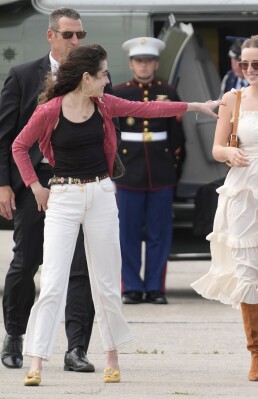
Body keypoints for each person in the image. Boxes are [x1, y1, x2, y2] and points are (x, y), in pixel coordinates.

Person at [11, 44, 221, 387]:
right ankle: (37, 360)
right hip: (62, 197)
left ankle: (111, 355)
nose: (108, 79)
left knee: (106, 283)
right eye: (104, 74)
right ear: (86, 78)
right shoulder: (49, 110)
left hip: (102, 195)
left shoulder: (105, 104)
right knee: (52, 282)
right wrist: (35, 186)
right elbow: (19, 146)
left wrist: (197, 105)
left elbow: (148, 107)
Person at [0, 7, 99, 373]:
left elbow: (109, 132)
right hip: (33, 184)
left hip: (79, 185)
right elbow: (5, 137)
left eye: (80, 35)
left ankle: (76, 348)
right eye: (69, 35)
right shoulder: (24, 76)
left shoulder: (96, 79)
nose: (76, 41)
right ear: (51, 36)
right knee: (27, 262)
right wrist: (4, 185)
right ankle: (14, 335)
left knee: (79, 267)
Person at [191, 34, 258, 382]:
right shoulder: (232, 99)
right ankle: (257, 351)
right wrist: (228, 153)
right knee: (248, 272)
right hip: (241, 191)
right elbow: (217, 148)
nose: (248, 69)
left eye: (256, 64)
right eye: (243, 63)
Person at [113, 37, 185, 305]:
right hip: (127, 173)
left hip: (161, 173)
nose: (144, 66)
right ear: (132, 64)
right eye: (139, 61)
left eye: (149, 61)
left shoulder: (167, 91)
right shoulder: (119, 93)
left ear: (155, 63)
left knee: (159, 234)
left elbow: (178, 138)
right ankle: (131, 287)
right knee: (127, 233)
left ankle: (155, 287)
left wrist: (173, 172)